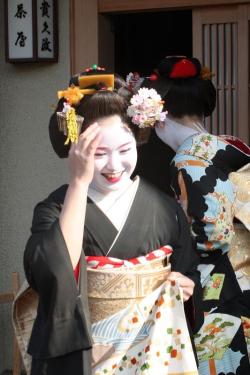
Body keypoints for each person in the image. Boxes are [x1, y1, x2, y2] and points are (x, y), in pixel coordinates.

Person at [13, 66, 203, 375]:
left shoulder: (165, 208)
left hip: (149, 354)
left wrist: (186, 286)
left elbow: (188, 270)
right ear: (76, 149)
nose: (115, 165)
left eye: (125, 150)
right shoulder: (57, 207)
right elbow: (51, 275)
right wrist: (77, 184)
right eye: (99, 153)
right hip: (82, 355)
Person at [136, 56, 250, 375]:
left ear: (158, 117)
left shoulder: (188, 159)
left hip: (220, 281)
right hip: (245, 273)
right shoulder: (231, 144)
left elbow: (211, 236)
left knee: (221, 360)